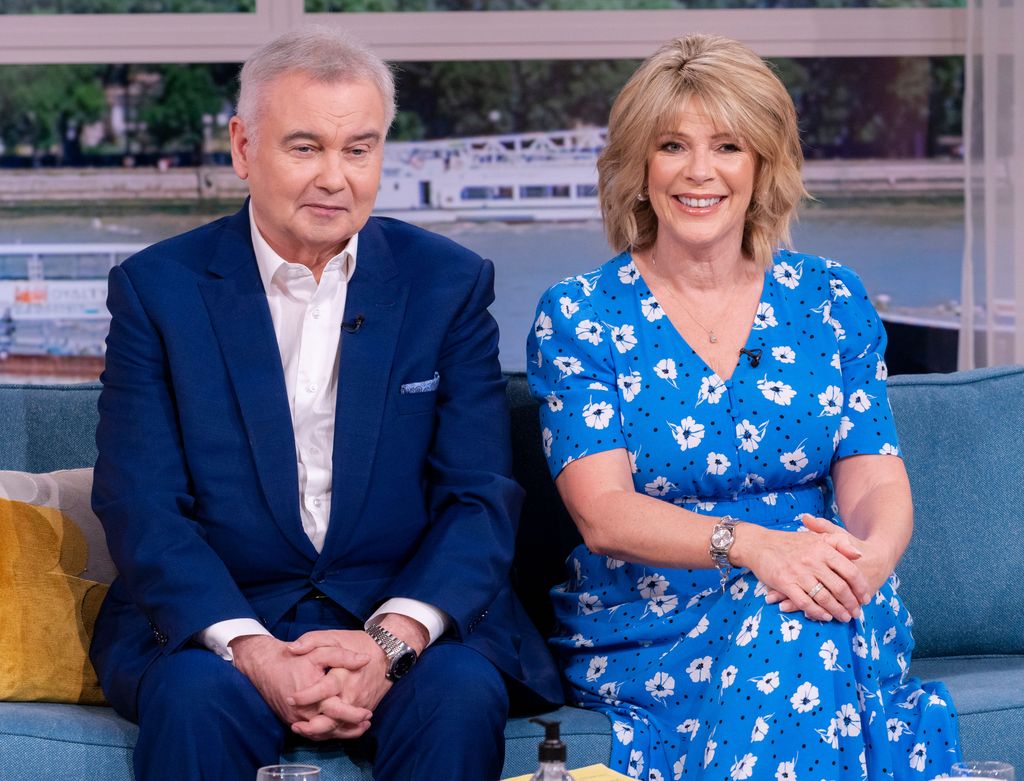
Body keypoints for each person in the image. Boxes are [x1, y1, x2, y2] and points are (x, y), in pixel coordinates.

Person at [89, 27, 561, 781]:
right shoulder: (158, 289)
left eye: (359, 149)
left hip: (400, 611)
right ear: (244, 149)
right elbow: (141, 504)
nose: (335, 179)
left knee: (459, 693)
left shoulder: (449, 284)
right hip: (230, 616)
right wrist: (252, 647)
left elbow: (478, 497)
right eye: (304, 147)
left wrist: (390, 642)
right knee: (194, 701)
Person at [527, 33, 961, 780]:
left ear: (762, 166)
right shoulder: (579, 314)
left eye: (728, 145)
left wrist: (867, 565)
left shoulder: (830, 298)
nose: (700, 172)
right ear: (639, 169)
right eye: (672, 146)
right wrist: (758, 548)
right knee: (802, 636)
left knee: (805, 624)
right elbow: (604, 513)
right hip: (654, 618)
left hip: (827, 589)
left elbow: (874, 477)